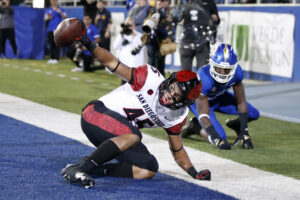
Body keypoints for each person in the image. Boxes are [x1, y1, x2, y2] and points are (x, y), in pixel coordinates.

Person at [61, 19, 211, 188]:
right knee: (134, 135)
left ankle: (88, 167)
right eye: (171, 88)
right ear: (170, 80)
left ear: (183, 102)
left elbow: (177, 150)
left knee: (148, 168)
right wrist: (88, 43)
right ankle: (82, 169)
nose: (169, 95)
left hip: (119, 136)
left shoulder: (177, 116)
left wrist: (194, 172)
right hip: (95, 114)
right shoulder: (149, 78)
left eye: (176, 96)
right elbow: (111, 62)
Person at [181, 43, 260, 150]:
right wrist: (216, 138)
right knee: (220, 136)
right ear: (212, 64)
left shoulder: (237, 72)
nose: (222, 73)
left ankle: (236, 125)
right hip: (198, 102)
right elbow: (203, 115)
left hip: (218, 98)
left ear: (234, 67)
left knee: (253, 113)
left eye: (227, 69)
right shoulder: (204, 77)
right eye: (218, 68)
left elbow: (241, 101)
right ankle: (195, 127)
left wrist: (244, 132)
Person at [178, 0, 220, 71]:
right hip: (187, 41)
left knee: (202, 72)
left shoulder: (210, 2)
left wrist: (215, 18)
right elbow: (177, 18)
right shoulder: (185, 2)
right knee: (185, 73)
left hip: (203, 42)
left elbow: (217, 19)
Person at [113, 17, 145, 84]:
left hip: (135, 68)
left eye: (130, 25)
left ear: (134, 26)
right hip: (124, 67)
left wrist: (131, 38)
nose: (128, 27)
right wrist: (121, 35)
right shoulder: (122, 35)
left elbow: (138, 49)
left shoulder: (139, 36)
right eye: (126, 25)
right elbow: (115, 46)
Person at [45, 0, 67, 64]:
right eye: (53, 0)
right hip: (50, 29)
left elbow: (65, 17)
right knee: (51, 44)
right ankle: (52, 58)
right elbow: (45, 18)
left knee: (57, 44)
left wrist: (61, 13)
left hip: (58, 29)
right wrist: (48, 17)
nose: (54, 1)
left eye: (55, 0)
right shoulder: (49, 9)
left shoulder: (60, 9)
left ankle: (56, 59)